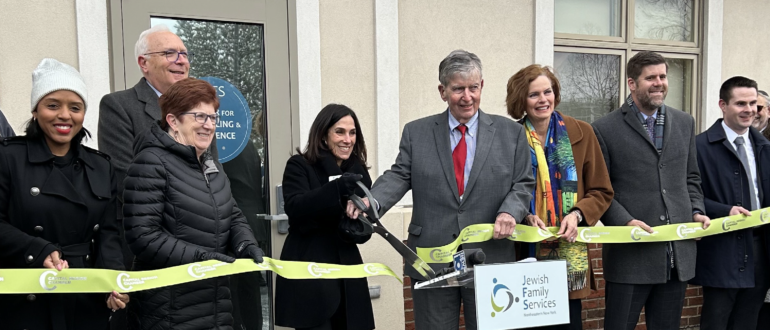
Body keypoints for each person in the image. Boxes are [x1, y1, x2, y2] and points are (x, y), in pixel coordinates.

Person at [348, 50, 534, 330]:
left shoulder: (511, 133)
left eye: (473, 87)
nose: (467, 96)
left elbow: (523, 183)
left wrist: (510, 211)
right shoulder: (417, 132)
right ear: (442, 91)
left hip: (490, 256)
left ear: (481, 85)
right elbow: (400, 175)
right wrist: (370, 200)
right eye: (458, 88)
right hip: (431, 258)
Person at [122, 78, 264, 330]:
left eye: (213, 118)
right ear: (173, 120)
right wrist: (202, 258)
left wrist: (245, 243)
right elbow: (143, 236)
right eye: (199, 116)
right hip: (168, 309)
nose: (209, 125)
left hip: (216, 303)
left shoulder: (210, 166)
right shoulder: (151, 163)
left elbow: (232, 213)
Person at [0, 58, 127, 329]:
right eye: (53, 105)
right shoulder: (8, 157)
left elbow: (109, 233)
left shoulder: (101, 166)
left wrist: (113, 281)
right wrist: (37, 248)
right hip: (27, 297)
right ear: (35, 110)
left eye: (75, 107)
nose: (65, 115)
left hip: (84, 296)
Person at [591, 51, 710, 330]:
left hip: (675, 257)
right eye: (651, 78)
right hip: (630, 258)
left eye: (663, 76)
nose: (659, 83)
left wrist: (696, 210)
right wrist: (625, 222)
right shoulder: (604, 128)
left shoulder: (684, 122)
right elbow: (600, 189)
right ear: (632, 84)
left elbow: (691, 178)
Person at [506, 64, 614, 330]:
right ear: (521, 100)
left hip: (569, 255)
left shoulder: (583, 133)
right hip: (523, 254)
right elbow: (502, 192)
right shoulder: (508, 138)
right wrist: (524, 215)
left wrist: (577, 214)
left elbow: (601, 190)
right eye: (534, 95)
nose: (544, 100)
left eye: (548, 91)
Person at [276, 103, 375, 330]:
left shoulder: (358, 171)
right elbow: (296, 207)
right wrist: (338, 186)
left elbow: (364, 218)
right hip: (310, 268)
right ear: (323, 135)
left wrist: (361, 224)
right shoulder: (300, 165)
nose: (347, 140)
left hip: (347, 266)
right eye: (339, 132)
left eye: (352, 133)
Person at [693, 76, 770, 330]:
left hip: (760, 247)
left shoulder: (764, 147)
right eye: (740, 104)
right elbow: (689, 195)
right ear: (722, 105)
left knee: (748, 320)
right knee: (717, 320)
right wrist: (725, 211)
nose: (749, 110)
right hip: (721, 248)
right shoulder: (699, 147)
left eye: (753, 104)